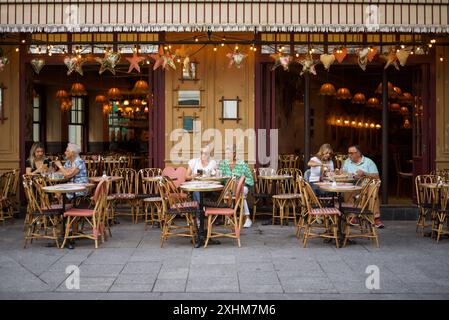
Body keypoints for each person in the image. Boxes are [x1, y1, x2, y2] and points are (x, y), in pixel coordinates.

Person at [342, 144, 384, 228]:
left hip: (366, 186)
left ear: (358, 153)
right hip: (353, 186)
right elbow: (342, 173)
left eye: (351, 153)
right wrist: (345, 174)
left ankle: (376, 218)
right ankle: (352, 216)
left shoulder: (368, 162)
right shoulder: (347, 162)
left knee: (373, 192)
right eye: (348, 153)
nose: (349, 155)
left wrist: (364, 173)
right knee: (346, 191)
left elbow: (376, 176)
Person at [219, 145, 254, 228]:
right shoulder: (223, 164)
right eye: (226, 154)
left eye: (229, 153)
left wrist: (240, 183)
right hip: (229, 188)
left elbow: (250, 179)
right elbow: (221, 179)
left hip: (242, 187)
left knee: (241, 193)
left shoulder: (242, 164)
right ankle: (230, 216)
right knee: (229, 192)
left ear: (234, 154)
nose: (227, 156)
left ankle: (247, 218)